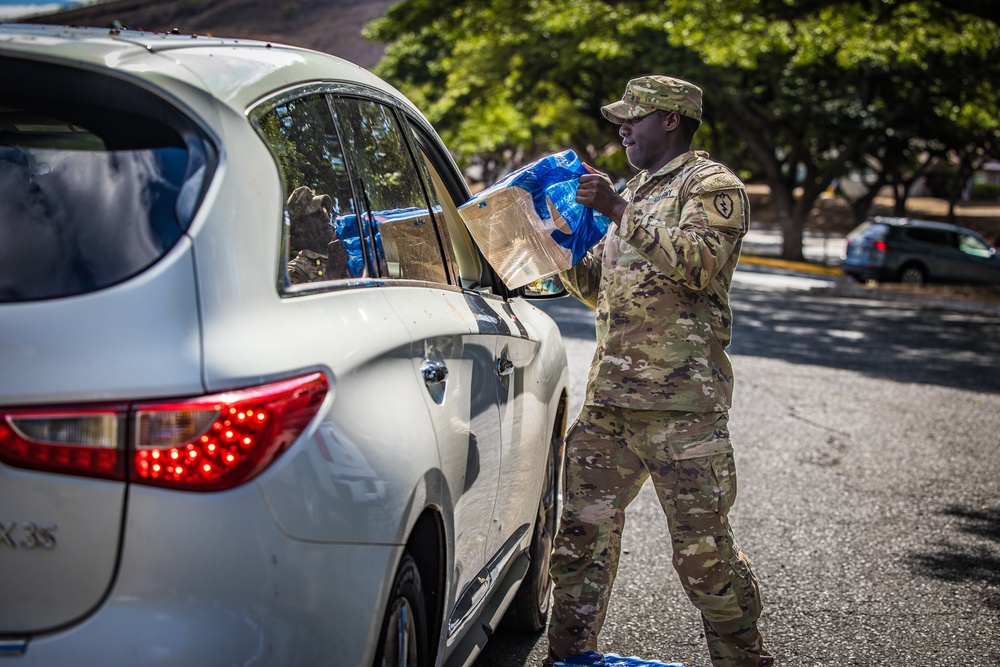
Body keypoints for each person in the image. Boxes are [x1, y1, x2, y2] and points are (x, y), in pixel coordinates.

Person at [545, 75, 773, 666]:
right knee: (577, 547)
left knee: (705, 560)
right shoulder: (637, 189)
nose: (622, 127)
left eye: (634, 117)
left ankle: (745, 660)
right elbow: (599, 289)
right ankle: (566, 657)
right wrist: (561, 246)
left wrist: (617, 210)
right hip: (610, 407)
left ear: (671, 119)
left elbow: (698, 264)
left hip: (682, 411)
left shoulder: (712, 186)